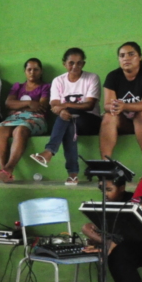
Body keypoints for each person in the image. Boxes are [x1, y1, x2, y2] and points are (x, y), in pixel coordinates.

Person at [30, 48, 102, 185]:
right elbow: (54, 104)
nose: (75, 66)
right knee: (69, 122)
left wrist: (65, 106)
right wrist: (62, 111)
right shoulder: (58, 81)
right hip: (71, 120)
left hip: (90, 121)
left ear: (83, 64)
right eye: (71, 63)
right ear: (64, 64)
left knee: (68, 114)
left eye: (79, 63)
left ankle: (50, 152)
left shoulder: (92, 78)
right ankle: (72, 175)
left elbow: (89, 105)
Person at [100, 42, 142, 173]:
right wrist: (114, 107)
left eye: (131, 54)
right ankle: (105, 167)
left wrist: (124, 106)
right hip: (127, 120)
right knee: (108, 116)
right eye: (122, 55)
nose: (126, 58)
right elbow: (107, 105)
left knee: (141, 115)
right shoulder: (113, 76)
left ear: (140, 57)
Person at [0, 59, 51, 182]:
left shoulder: (45, 87)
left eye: (36, 69)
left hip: (36, 118)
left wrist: (17, 106)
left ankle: (9, 168)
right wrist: (29, 103)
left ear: (41, 71)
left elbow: (41, 106)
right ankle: (4, 170)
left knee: (20, 130)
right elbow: (8, 103)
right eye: (29, 69)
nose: (32, 72)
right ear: (25, 71)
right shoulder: (17, 86)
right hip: (14, 118)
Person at [80, 174, 131, 246]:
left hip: (126, 233)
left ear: (122, 188)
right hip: (110, 231)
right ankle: (107, 243)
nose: (105, 194)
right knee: (86, 227)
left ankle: (109, 245)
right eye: (102, 190)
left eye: (109, 190)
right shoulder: (108, 201)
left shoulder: (131, 200)